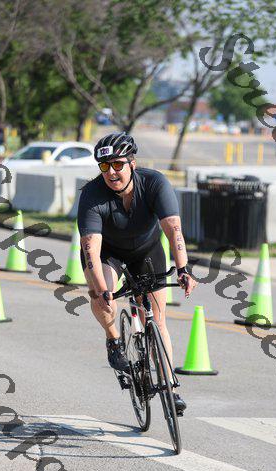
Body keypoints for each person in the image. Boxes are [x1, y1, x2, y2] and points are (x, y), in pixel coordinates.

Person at [77, 131, 197, 415]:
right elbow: (91, 249)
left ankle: (170, 388)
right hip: (108, 254)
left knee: (157, 320)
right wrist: (101, 290)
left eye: (117, 165)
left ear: (132, 163)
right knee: (102, 295)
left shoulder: (155, 183)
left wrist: (183, 268)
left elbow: (173, 230)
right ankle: (114, 339)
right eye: (104, 167)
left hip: (146, 251)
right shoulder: (92, 195)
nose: (111, 173)